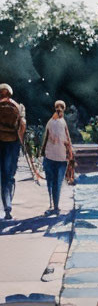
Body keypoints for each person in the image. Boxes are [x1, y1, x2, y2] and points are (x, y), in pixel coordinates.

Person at [40, 100, 73, 215]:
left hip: (54, 157)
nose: (59, 109)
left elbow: (46, 138)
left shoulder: (53, 122)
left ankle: (54, 206)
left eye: (60, 107)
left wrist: (42, 153)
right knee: (56, 183)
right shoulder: (59, 122)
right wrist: (70, 154)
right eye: (58, 107)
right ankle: (55, 206)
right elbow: (67, 139)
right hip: (57, 157)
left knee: (53, 182)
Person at [0, 84, 26, 220]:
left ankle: (4, 205)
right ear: (9, 93)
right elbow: (22, 126)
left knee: (1, 176)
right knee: (9, 176)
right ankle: (8, 206)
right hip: (12, 144)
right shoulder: (17, 106)